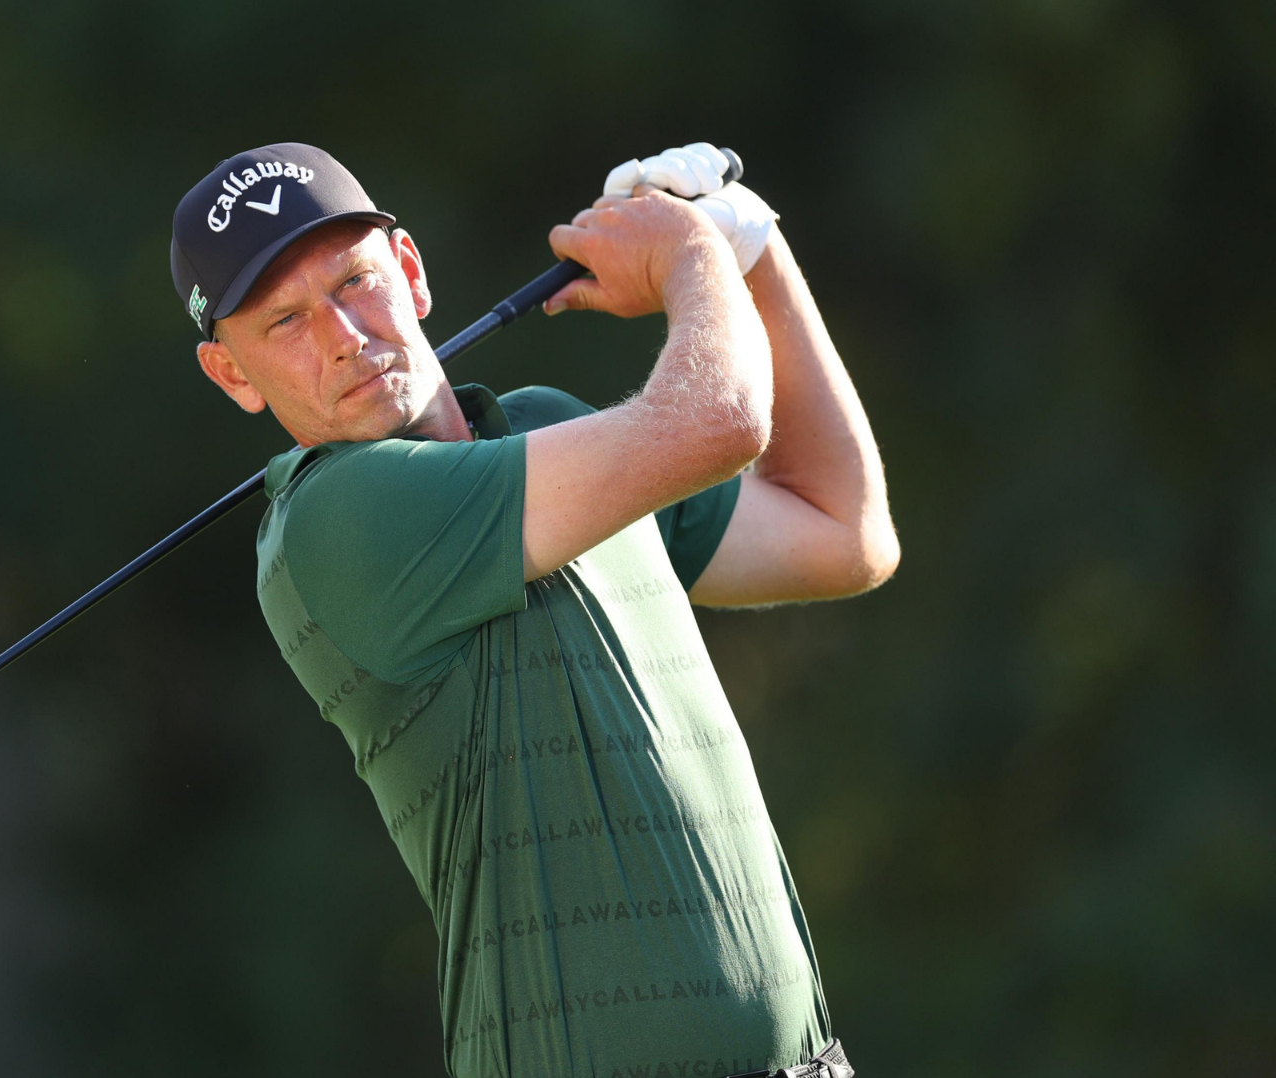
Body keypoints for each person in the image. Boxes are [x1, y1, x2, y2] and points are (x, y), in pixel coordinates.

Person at [170, 142, 895, 1078]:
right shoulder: (334, 520)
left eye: (355, 280)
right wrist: (689, 252)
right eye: (287, 322)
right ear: (232, 375)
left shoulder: (551, 427)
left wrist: (753, 251)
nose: (345, 333)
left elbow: (846, 531)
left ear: (412, 272)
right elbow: (716, 420)